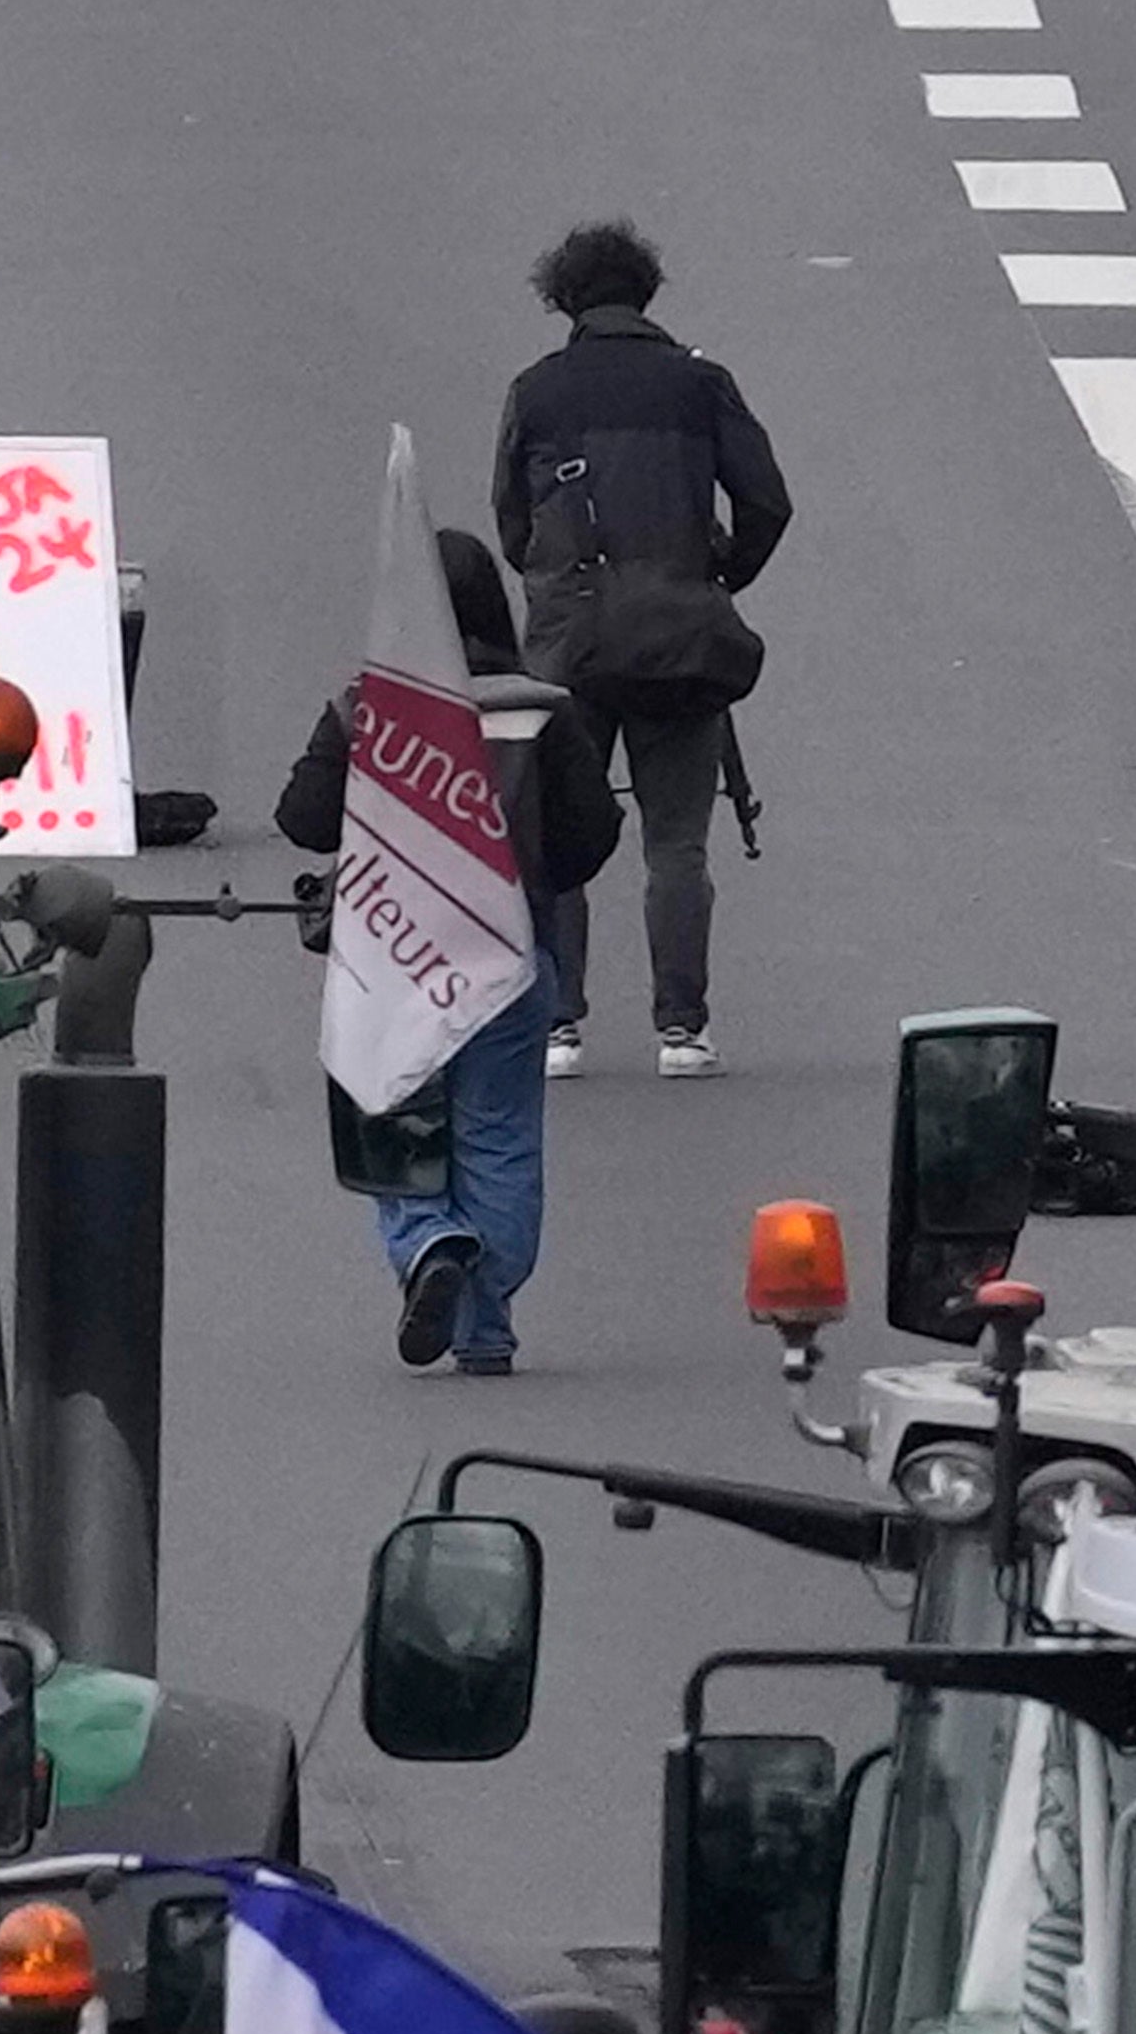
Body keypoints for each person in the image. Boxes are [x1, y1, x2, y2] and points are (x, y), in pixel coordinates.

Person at [278, 527, 619, 1371]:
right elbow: (589, 842)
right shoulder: (541, 708)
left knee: (394, 1119)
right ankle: (485, 1325)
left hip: (395, 960)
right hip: (508, 957)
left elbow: (303, 819)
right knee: (499, 1134)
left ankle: (430, 1240)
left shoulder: (366, 705)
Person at [494, 221, 787, 1079]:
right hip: (682, 642)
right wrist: (716, 573)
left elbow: (512, 522)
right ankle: (681, 1030)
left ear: (563, 298)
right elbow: (767, 501)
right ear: (647, 291)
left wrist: (559, 589)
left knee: (557, 840)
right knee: (677, 843)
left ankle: (558, 1026)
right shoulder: (701, 384)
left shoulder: (538, 391)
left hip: (570, 649)